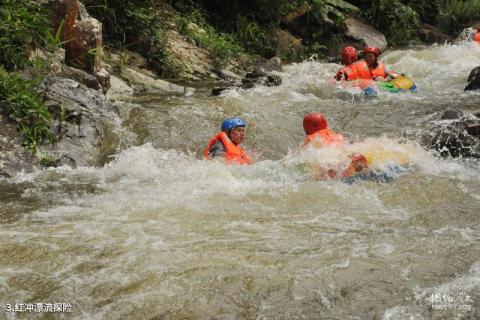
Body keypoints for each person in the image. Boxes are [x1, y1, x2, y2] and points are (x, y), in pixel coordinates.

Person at [302, 112, 368, 178]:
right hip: (345, 157)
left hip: (332, 164)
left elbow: (304, 156)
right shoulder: (334, 134)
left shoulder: (311, 138)